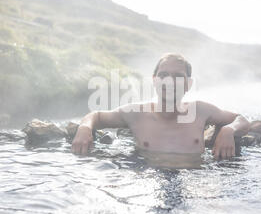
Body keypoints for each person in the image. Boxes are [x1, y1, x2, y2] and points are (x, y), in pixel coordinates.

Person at [72, 53, 250, 168]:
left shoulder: (200, 110)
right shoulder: (137, 114)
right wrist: (84, 128)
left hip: (195, 181)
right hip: (148, 178)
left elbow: (240, 119)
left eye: (178, 77)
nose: (169, 82)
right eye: (164, 75)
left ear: (189, 84)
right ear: (155, 80)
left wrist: (228, 130)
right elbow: (95, 115)